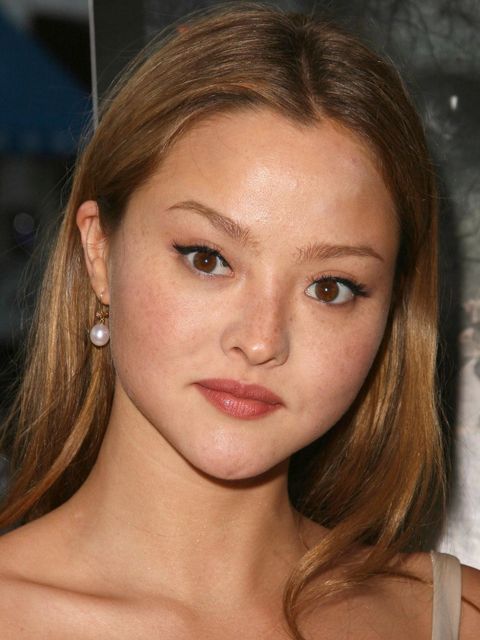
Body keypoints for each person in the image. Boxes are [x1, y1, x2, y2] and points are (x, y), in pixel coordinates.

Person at [0, 3, 478, 638]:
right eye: (208, 259)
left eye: (330, 287)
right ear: (100, 252)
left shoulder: (457, 617)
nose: (260, 340)